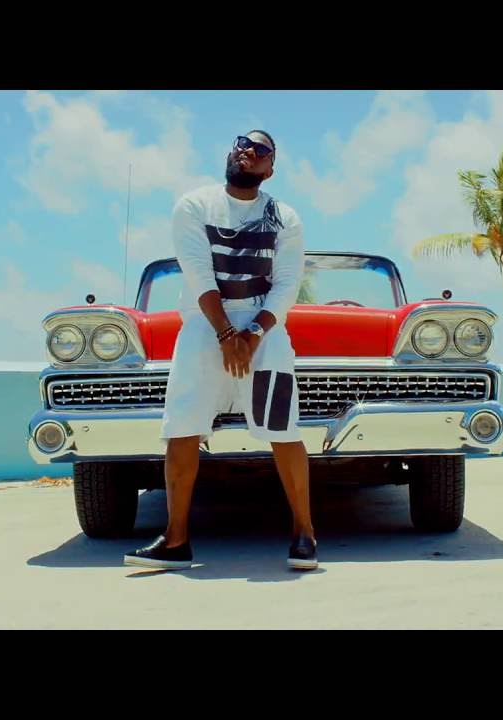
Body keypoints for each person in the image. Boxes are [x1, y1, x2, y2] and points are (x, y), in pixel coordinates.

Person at [124, 130, 317, 571]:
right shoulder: (194, 205)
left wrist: (253, 335)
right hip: (203, 326)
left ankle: (305, 534)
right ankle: (176, 541)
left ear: (270, 169)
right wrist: (227, 334)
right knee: (182, 426)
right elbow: (198, 273)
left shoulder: (285, 217)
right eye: (242, 143)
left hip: (266, 331)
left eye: (261, 149)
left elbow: (287, 283)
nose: (248, 150)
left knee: (283, 427)